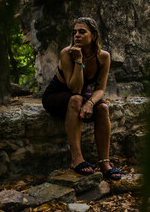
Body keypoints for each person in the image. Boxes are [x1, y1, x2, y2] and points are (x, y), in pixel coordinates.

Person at [42, 17, 121, 180]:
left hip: (82, 94)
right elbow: (74, 88)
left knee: (103, 108)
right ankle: (76, 159)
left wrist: (91, 103)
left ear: (93, 35)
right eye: (74, 32)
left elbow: (100, 89)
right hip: (56, 94)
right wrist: (78, 60)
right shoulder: (67, 53)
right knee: (76, 99)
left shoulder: (103, 57)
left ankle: (105, 163)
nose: (76, 35)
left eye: (82, 32)